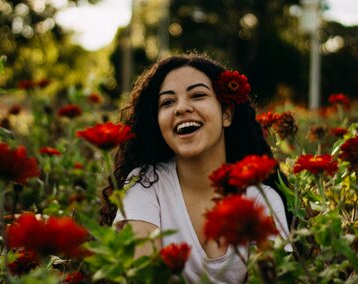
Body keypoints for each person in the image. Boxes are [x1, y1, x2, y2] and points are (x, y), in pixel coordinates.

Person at [100, 53, 291, 283]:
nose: (181, 108)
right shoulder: (144, 183)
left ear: (227, 114)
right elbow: (144, 275)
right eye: (168, 102)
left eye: (198, 95)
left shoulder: (262, 199)